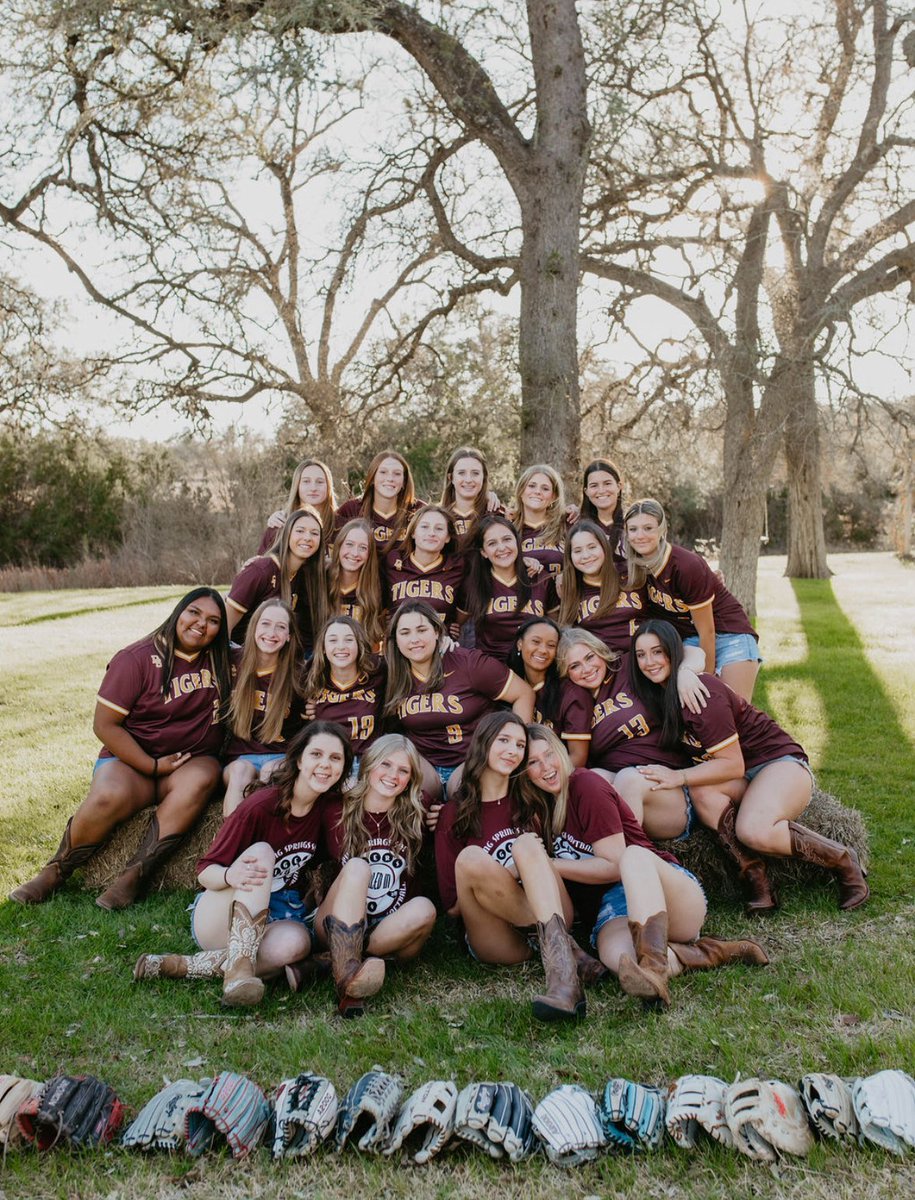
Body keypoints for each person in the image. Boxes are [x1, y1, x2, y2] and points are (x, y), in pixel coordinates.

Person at [10, 588, 233, 911]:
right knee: (105, 796)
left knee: (202, 777)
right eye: (194, 613)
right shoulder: (136, 658)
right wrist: (152, 765)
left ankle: (134, 875)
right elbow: (105, 725)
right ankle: (56, 871)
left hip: (189, 763)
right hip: (131, 762)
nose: (201, 624)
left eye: (213, 620)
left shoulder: (224, 659)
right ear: (178, 612)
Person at [627, 620, 870, 914]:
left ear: (673, 652)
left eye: (658, 652)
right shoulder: (661, 695)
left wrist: (677, 776)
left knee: (754, 830)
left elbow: (731, 763)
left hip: (777, 763)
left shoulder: (701, 693)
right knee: (702, 794)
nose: (649, 662)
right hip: (743, 774)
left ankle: (843, 859)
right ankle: (756, 877)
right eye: (641, 655)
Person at [524, 725, 767, 1008]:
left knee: (632, 856)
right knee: (621, 963)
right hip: (610, 910)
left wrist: (550, 865)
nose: (546, 767)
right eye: (533, 762)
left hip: (657, 883)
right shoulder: (539, 810)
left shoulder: (584, 785)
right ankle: (708, 954)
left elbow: (614, 866)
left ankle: (655, 970)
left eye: (550, 754)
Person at [133, 722, 352, 1007]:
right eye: (316, 755)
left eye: (335, 758)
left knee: (296, 944)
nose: (325, 765)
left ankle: (187, 966)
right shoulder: (260, 806)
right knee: (261, 853)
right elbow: (205, 871)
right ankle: (237, 969)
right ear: (299, 760)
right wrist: (230, 874)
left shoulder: (326, 809)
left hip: (277, 914)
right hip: (224, 913)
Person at [434, 712, 590, 1022]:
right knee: (470, 858)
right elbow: (453, 907)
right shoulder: (454, 813)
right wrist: (502, 883)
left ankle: (563, 980)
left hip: (553, 912)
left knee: (527, 844)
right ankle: (569, 950)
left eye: (519, 745)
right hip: (498, 936)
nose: (512, 750)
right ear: (483, 743)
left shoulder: (532, 802)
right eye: (503, 740)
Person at [315, 735, 436, 1016]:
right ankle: (348, 986)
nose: (393, 776)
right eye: (386, 764)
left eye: (403, 770)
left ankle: (334, 962)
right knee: (357, 867)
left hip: (392, 932)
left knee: (425, 908)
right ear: (368, 765)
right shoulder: (335, 809)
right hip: (335, 923)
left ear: (411, 778)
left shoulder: (420, 810)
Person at [555, 627, 708, 840]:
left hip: (669, 790)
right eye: (574, 666)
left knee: (629, 778)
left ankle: (626, 858)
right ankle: (596, 855)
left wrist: (685, 672)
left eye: (590, 657)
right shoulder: (576, 702)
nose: (587, 668)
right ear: (566, 672)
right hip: (623, 787)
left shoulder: (625, 667)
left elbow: (694, 652)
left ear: (600, 651)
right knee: (589, 778)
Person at [384, 601, 535, 799]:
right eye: (405, 633)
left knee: (462, 796)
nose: (414, 639)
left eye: (422, 630)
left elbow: (524, 693)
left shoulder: (467, 663)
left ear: (437, 632)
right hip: (424, 765)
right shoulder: (391, 674)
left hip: (471, 760)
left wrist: (517, 748)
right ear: (395, 639)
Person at [624, 498, 761, 700]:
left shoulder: (685, 565)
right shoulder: (638, 568)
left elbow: (707, 630)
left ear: (662, 530)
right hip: (690, 641)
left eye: (648, 528)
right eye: (633, 529)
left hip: (730, 635)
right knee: (697, 713)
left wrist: (707, 675)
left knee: (734, 708)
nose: (640, 536)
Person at [222, 599, 304, 816]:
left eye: (281, 627)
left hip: (281, 756)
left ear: (288, 636)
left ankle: (266, 840)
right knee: (241, 772)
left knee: (270, 772)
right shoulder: (230, 662)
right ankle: (232, 842)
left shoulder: (298, 675)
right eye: (265, 624)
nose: (272, 632)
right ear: (254, 627)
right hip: (240, 757)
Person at [226, 506, 329, 653]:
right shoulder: (260, 570)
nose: (307, 537)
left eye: (314, 533)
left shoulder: (303, 576)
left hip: (270, 658)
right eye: (300, 531)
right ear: (287, 534)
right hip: (240, 655)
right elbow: (225, 627)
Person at [461, 514, 557, 661]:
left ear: (517, 542)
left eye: (507, 539)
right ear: (483, 552)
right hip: (491, 666)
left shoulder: (540, 578)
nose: (502, 547)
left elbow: (554, 626)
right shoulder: (473, 583)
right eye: (492, 543)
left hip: (535, 664)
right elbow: (457, 623)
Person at [302, 617, 386, 763]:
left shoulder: (379, 671)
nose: (341, 646)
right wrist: (306, 708)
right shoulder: (312, 674)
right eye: (333, 640)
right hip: (326, 760)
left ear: (359, 645)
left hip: (366, 761)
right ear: (323, 647)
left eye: (348, 640)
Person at [557, 519, 647, 654]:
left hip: (642, 658)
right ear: (570, 557)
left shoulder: (631, 573)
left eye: (592, 547)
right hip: (603, 665)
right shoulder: (570, 588)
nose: (586, 556)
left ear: (604, 546)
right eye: (577, 551)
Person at [382, 504, 467, 630]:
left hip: (441, 644)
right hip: (399, 644)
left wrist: (450, 628)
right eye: (424, 527)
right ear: (413, 533)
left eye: (439, 528)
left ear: (448, 537)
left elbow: (463, 611)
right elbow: (378, 606)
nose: (431, 533)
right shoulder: (393, 561)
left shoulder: (457, 566)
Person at [334, 450, 422, 548]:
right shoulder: (351, 510)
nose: (390, 478)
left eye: (397, 474)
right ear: (372, 478)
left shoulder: (418, 511)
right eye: (383, 472)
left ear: (404, 482)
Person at [327, 518, 386, 648]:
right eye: (349, 544)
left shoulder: (377, 586)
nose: (354, 553)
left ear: (369, 554)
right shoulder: (321, 580)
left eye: (363, 548)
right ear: (339, 545)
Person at [256, 458, 337, 552]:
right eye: (306, 481)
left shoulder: (340, 526)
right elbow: (260, 564)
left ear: (329, 486)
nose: (313, 488)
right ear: (297, 486)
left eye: (320, 482)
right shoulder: (279, 525)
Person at [507, 464, 566, 575]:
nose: (538, 491)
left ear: (554, 496)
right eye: (532, 486)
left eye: (545, 488)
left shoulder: (566, 525)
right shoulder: (507, 527)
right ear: (521, 491)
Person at [506, 616, 563, 729]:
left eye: (551, 645)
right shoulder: (507, 684)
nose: (543, 650)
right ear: (520, 644)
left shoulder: (567, 691)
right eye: (536, 642)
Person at [439, 445, 500, 540]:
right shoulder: (438, 515)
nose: (468, 480)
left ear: (484, 477)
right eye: (461, 473)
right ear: (451, 478)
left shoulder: (497, 514)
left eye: (475, 473)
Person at [579, 458, 625, 559]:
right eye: (594, 485)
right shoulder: (576, 524)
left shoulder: (632, 523)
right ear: (586, 491)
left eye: (607, 483)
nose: (601, 490)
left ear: (619, 486)